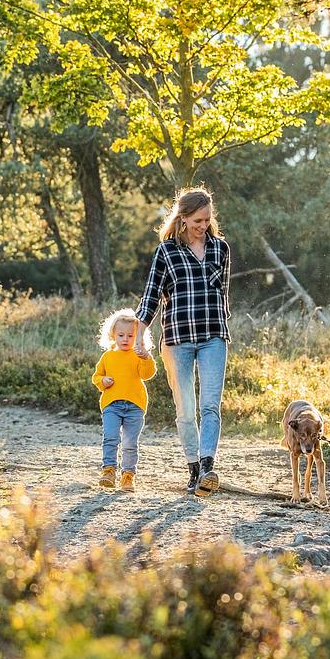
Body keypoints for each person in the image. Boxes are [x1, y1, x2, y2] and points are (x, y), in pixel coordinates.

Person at [135, 187, 232, 497]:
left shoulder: (220, 249)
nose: (203, 225)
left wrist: (223, 322)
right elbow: (151, 296)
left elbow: (223, 294)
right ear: (184, 218)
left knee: (210, 406)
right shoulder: (167, 251)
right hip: (177, 339)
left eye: (207, 219)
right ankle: (193, 468)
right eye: (197, 220)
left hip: (213, 336)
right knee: (186, 410)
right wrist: (139, 335)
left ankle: (207, 467)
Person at [90, 308, 157, 492]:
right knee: (110, 438)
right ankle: (109, 471)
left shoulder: (138, 355)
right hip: (111, 405)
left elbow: (147, 374)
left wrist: (146, 357)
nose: (125, 339)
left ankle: (128, 475)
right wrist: (103, 381)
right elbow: (96, 376)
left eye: (130, 335)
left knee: (129, 443)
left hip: (135, 406)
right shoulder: (108, 356)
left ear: (138, 336)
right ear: (113, 335)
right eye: (121, 335)